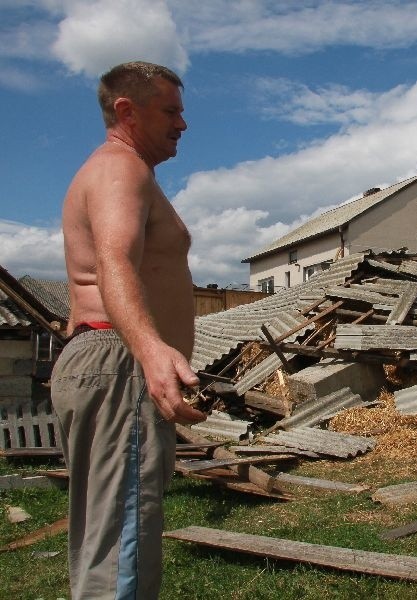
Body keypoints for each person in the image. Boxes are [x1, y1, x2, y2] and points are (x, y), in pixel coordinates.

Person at [51, 61, 206, 599]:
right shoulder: (123, 169)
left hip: (102, 358)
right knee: (123, 545)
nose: (183, 123)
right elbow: (114, 261)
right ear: (126, 110)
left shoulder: (111, 170)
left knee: (108, 538)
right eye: (171, 110)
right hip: (118, 363)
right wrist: (149, 349)